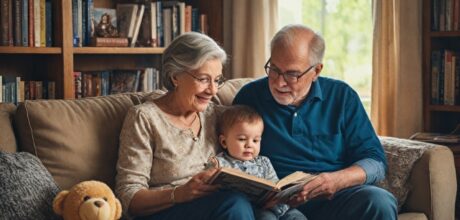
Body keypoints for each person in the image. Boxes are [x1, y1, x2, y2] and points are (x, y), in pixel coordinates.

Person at [233, 24, 398, 220]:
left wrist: (336, 180)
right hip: (275, 205)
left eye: (292, 74)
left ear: (316, 71)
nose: (279, 82)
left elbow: (375, 161)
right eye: (274, 69)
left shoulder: (342, 96)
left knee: (379, 201)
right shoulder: (250, 96)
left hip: (332, 197)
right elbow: (227, 153)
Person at [115, 32, 255, 220]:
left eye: (217, 80)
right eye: (203, 79)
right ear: (175, 76)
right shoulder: (145, 118)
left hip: (214, 209)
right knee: (234, 203)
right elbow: (128, 197)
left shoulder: (217, 115)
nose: (212, 90)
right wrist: (179, 194)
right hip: (165, 212)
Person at [207, 105, 307, 220]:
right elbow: (211, 187)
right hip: (258, 211)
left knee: (299, 217)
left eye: (255, 140)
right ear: (224, 142)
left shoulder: (264, 161)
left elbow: (275, 184)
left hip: (282, 208)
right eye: (242, 139)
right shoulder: (220, 163)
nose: (249, 145)